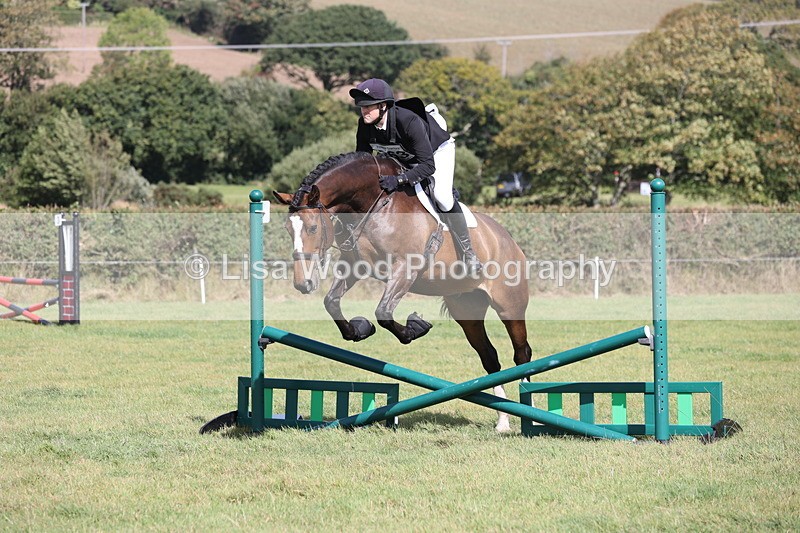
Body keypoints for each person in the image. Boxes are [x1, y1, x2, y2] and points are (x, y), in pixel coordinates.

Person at [349, 78, 482, 275]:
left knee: (442, 197)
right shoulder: (365, 124)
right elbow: (363, 161)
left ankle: (469, 254)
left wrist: (399, 180)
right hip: (403, 155)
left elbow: (427, 165)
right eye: (361, 107)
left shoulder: (407, 121)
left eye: (369, 106)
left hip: (436, 152)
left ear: (384, 106)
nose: (364, 111)